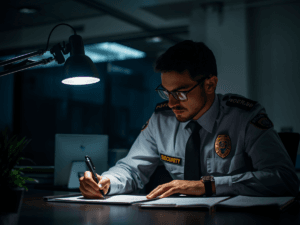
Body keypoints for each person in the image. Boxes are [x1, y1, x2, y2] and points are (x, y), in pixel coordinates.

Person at [79, 40, 299, 199]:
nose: (173, 103)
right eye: (166, 92)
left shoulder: (244, 117)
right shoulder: (161, 120)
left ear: (210, 85)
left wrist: (208, 186)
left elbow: (285, 178)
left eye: (181, 92)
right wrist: (106, 181)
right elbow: (132, 169)